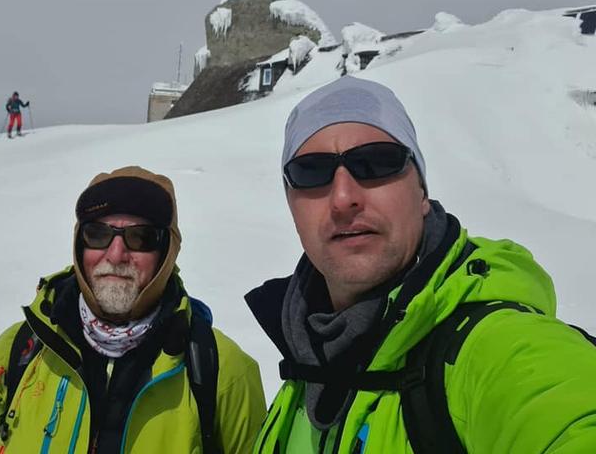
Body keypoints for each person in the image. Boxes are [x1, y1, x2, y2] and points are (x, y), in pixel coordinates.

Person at [246, 76, 596, 453]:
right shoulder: (308, 357)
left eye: (376, 162)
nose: (343, 198)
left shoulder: (495, 350)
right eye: (311, 171)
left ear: (422, 192)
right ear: (291, 203)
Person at [0, 166, 266, 453]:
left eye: (141, 237)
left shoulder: (221, 370)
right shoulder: (23, 349)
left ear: (167, 251)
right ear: (80, 244)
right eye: (98, 234)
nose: (116, 254)